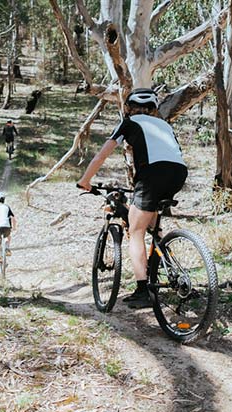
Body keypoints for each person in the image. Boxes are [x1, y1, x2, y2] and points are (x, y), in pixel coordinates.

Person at [77, 88, 188, 309]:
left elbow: (101, 155)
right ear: (153, 109)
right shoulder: (165, 126)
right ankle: (164, 264)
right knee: (152, 227)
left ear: (129, 108)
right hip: (179, 173)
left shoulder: (128, 122)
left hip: (151, 175)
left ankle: (142, 290)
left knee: (136, 232)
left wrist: (85, 180)